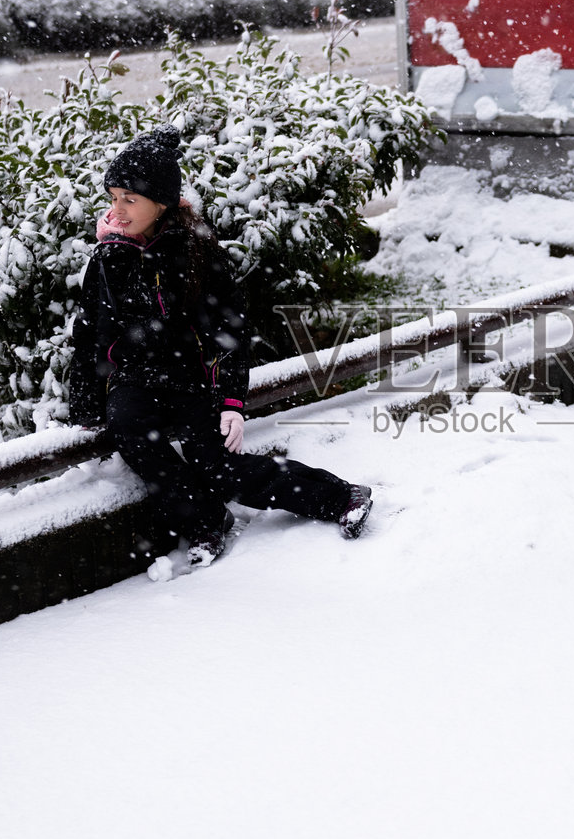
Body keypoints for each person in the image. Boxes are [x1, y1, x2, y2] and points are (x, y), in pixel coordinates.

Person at [67, 128, 373, 577]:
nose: (116, 210)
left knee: (219, 467)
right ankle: (207, 521)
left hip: (192, 379)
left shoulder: (195, 252)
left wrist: (231, 401)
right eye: (114, 197)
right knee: (131, 433)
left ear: (162, 203)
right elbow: (91, 329)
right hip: (135, 381)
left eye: (129, 199)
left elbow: (231, 329)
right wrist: (87, 401)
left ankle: (340, 497)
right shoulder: (108, 256)